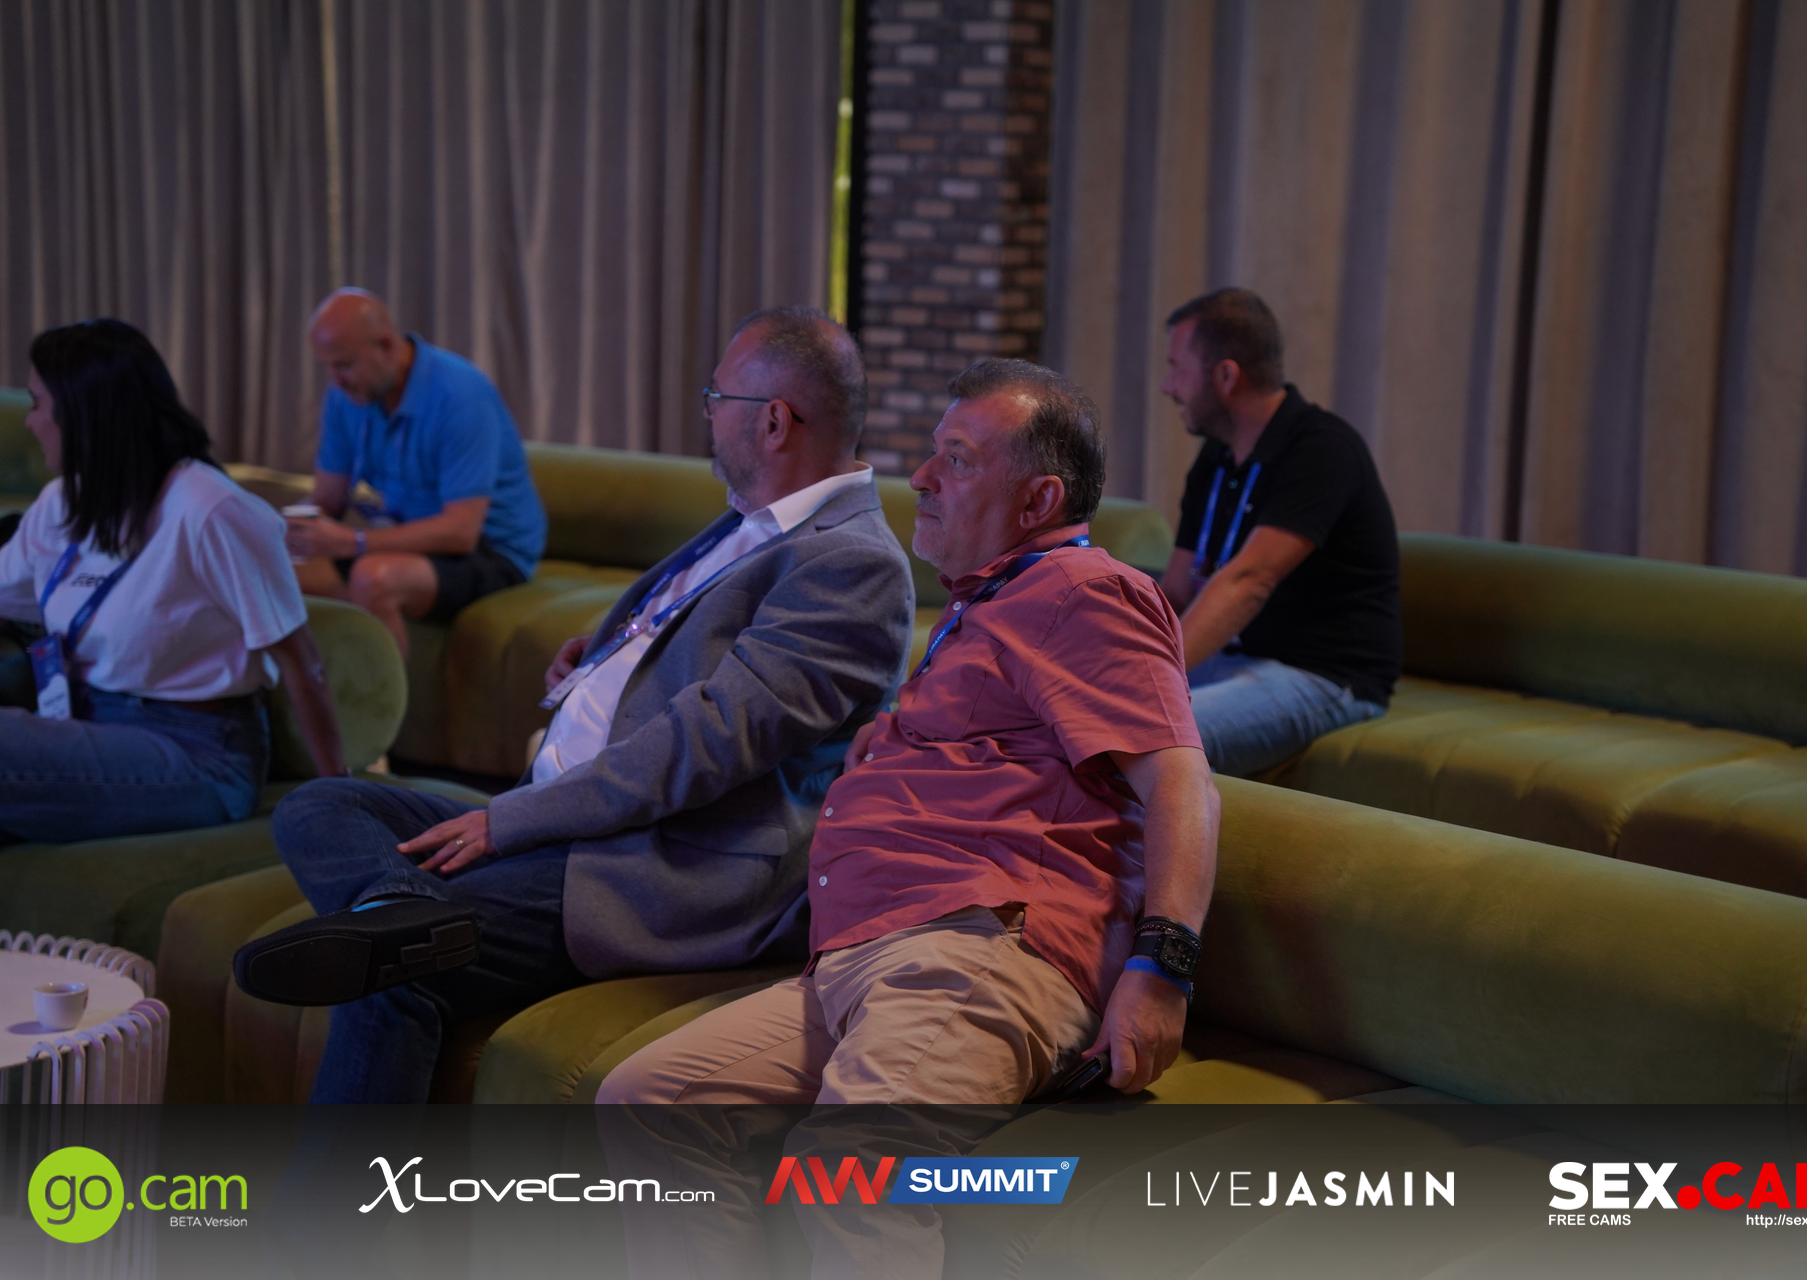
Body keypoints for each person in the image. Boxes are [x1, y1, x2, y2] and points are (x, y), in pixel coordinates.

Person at [597, 359, 1219, 1278]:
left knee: (852, 1168)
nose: (920, 477)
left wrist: (1162, 971)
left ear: (1039, 499)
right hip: (864, 952)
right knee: (649, 1102)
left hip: (977, 948)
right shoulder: (987, 603)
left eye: (956, 460)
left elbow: (1181, 784)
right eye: (932, 453)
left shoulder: (1084, 589)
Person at [231, 306, 915, 1104]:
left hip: (653, 859)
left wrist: (509, 822)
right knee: (323, 804)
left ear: (772, 422)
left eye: (716, 398)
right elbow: (689, 648)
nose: (706, 415)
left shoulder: (849, 564)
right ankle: (405, 914)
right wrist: (603, 665)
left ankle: (398, 954)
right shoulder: (754, 520)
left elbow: (705, 745)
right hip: (571, 817)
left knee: (391, 976)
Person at [0, 319, 345, 852]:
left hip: (198, 754)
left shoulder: (211, 510)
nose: (29, 422)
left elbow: (301, 661)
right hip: (84, 725)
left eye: (37, 404)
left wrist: (344, 799)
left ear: (84, 413)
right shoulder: (61, 504)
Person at [1157, 287, 1401, 777]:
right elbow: (1178, 589)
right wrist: (1102, 656)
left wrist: (1150, 678)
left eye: (1177, 368)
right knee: (1068, 710)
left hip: (1323, 678)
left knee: (1146, 738)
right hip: (1235, 657)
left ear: (1226, 376)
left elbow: (1250, 580)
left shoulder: (1322, 449)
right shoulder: (1217, 456)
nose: (1167, 386)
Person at [285, 289, 548, 656]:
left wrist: (353, 542)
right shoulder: (349, 395)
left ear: (386, 345)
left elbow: (460, 533)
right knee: (271, 573)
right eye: (326, 367)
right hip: (411, 536)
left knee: (373, 578)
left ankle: (385, 695)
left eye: (343, 365)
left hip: (491, 550)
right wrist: (279, 533)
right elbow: (327, 499)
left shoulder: (459, 395)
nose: (335, 381)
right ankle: (315, 692)